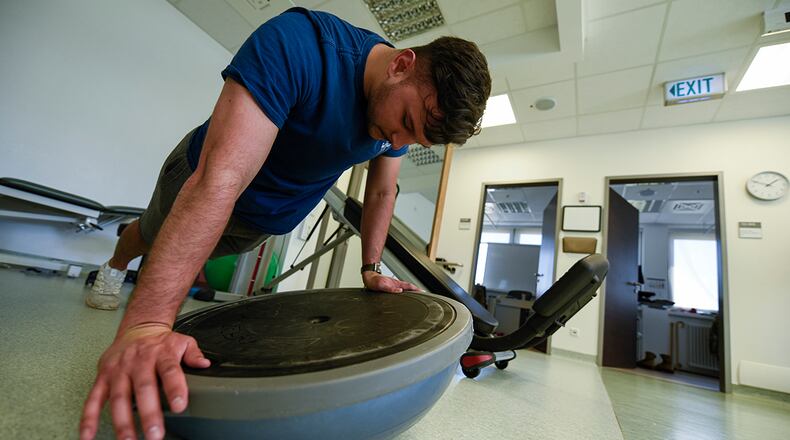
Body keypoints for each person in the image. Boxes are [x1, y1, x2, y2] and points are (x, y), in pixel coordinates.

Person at [79, 7, 490, 440]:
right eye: (405, 124)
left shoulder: (401, 119)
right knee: (147, 236)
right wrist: (147, 326)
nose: (397, 142)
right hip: (201, 181)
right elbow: (221, 178)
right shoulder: (301, 45)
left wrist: (371, 268)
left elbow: (382, 192)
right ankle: (115, 265)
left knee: (193, 254)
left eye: (412, 138)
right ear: (401, 65)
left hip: (260, 222)